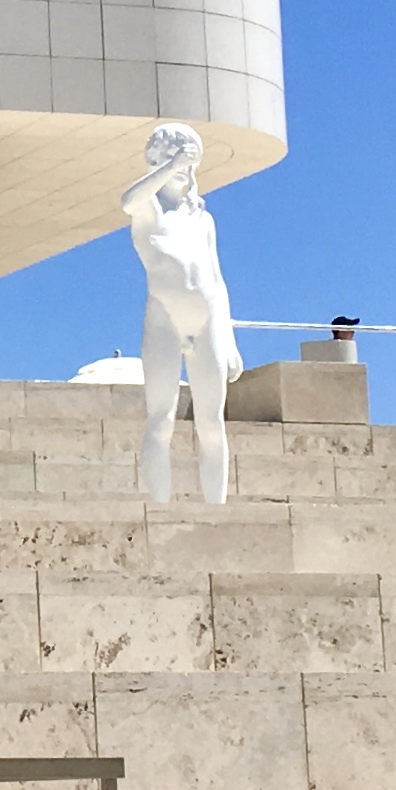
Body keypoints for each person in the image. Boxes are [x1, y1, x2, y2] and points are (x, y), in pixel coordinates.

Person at [120, 123, 242, 504]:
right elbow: (129, 199)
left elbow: (217, 280)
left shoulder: (203, 218)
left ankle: (217, 509)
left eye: (191, 162)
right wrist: (170, 165)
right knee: (161, 420)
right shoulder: (150, 209)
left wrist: (231, 340)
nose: (187, 169)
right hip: (164, 318)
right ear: (158, 161)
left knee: (212, 422)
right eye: (179, 160)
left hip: (207, 321)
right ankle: (159, 506)